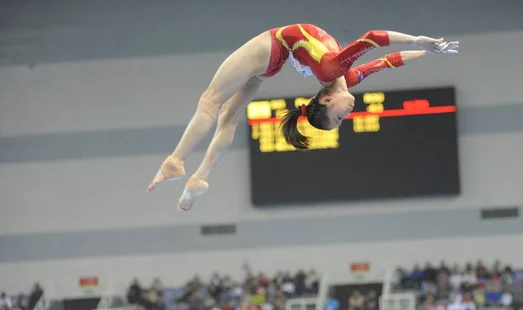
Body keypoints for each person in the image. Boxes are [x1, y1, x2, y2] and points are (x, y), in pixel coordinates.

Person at [147, 23, 459, 211]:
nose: (346, 117)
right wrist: (427, 51)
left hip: (269, 47)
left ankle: (175, 159)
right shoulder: (347, 79)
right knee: (229, 114)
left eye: (337, 118)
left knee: (210, 101)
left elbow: (374, 37)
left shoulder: (333, 70)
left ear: (326, 98)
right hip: (272, 62)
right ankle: (200, 176)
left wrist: (419, 40)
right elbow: (388, 61)